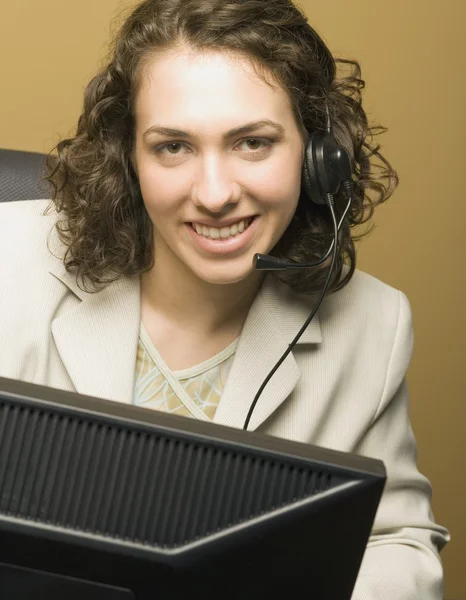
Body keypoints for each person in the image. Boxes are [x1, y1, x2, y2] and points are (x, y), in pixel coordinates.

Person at [0, 0, 449, 597]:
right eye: (173, 147)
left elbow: (397, 541)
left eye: (252, 143)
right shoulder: (8, 258)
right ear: (128, 158)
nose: (214, 194)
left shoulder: (374, 324)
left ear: (319, 159)